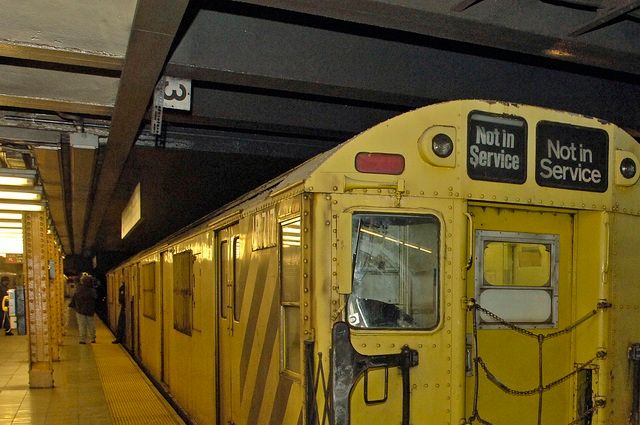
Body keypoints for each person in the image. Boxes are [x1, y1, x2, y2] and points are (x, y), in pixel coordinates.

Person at [69, 273, 97, 344]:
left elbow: (74, 298)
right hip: (90, 310)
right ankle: (92, 338)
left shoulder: (79, 289)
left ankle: (82, 339)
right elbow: (95, 298)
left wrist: (72, 306)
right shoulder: (92, 290)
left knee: (82, 325)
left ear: (82, 282)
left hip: (80, 310)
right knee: (91, 324)